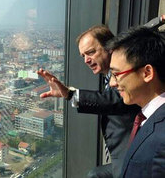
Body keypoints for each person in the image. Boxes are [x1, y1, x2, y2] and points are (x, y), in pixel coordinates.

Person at [37, 25, 139, 178]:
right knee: (95, 175)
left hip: (133, 157)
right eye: (83, 56)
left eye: (90, 52)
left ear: (110, 47)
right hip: (123, 156)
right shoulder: (108, 76)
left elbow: (113, 100)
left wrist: (70, 94)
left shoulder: (125, 73)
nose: (86, 60)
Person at [106, 27, 165, 178]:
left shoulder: (161, 138)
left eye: (116, 74)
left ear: (147, 73)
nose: (112, 83)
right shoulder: (148, 117)